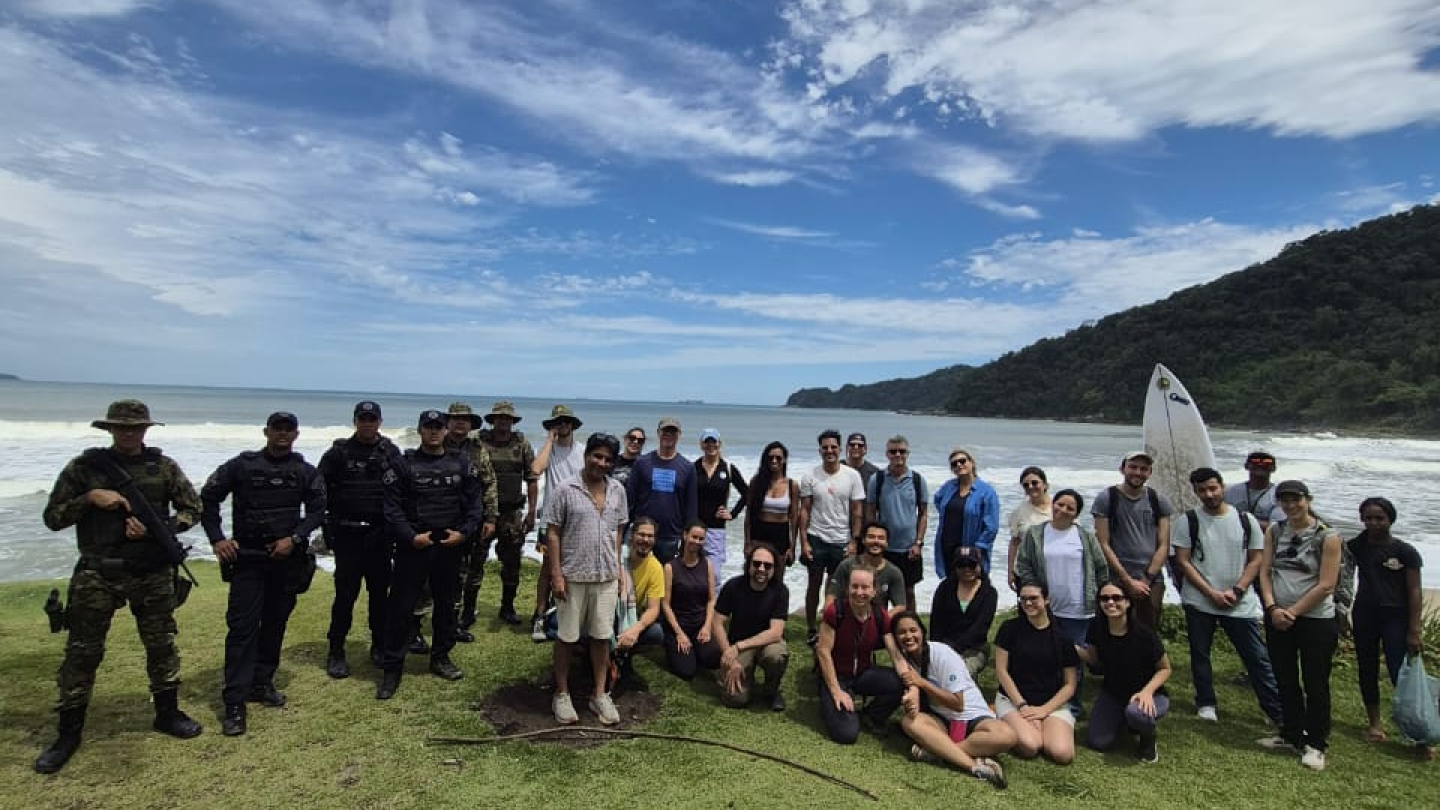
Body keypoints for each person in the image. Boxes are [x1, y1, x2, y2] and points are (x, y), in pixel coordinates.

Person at [35, 400, 205, 774]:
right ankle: (68, 733)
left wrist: (161, 526)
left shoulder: (163, 467)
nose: (129, 433)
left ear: (145, 430)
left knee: (161, 644)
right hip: (99, 572)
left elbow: (193, 508)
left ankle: (167, 713)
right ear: (110, 429)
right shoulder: (85, 468)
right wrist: (89, 499)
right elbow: (52, 517)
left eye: (136, 427)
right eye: (122, 427)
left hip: (152, 571)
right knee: (82, 652)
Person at [202, 411, 325, 736]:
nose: (282, 433)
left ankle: (262, 682)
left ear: (296, 434)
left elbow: (317, 510)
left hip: (285, 559)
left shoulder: (304, 471)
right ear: (266, 431)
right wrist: (217, 539)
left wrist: (295, 538)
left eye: (288, 429)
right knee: (242, 629)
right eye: (277, 428)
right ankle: (234, 701)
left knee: (275, 624)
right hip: (248, 559)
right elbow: (208, 497)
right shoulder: (241, 466)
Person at [375, 410, 487, 700]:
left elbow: (476, 504)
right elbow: (391, 508)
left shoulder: (462, 463)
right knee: (401, 608)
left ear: (446, 430)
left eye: (439, 426)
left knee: (447, 607)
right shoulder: (403, 464)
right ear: (420, 430)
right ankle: (392, 668)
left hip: (449, 547)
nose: (434, 431)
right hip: (414, 547)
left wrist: (463, 533)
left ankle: (441, 657)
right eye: (429, 426)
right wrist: (411, 536)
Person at [1172, 467, 1283, 727]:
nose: (1209, 494)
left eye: (1213, 488)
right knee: (1200, 655)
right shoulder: (1188, 521)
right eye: (1202, 490)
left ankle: (1274, 710)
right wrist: (1210, 592)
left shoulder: (1245, 520)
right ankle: (1206, 703)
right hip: (1200, 600)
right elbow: (1183, 561)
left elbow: (1256, 558)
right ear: (1195, 492)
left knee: (1256, 657)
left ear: (1222, 487)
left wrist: (1238, 590)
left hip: (1239, 602)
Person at [1256, 480, 1343, 771]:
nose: (1291, 506)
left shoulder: (1327, 536)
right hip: (1278, 615)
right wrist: (1271, 607)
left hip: (1315, 619)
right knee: (1285, 677)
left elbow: (1327, 584)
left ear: (1308, 500)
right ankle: (1290, 733)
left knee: (1315, 682)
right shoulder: (1275, 530)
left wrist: (1291, 613)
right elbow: (1265, 572)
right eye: (1285, 500)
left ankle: (1316, 743)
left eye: (1296, 499)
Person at [545, 432, 627, 726]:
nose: (601, 463)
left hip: (606, 577)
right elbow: (553, 533)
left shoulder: (618, 490)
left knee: (602, 637)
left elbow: (618, 530)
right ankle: (562, 693)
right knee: (567, 637)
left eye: (607, 459)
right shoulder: (566, 489)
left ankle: (600, 694)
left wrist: (618, 569)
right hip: (572, 575)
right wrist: (556, 574)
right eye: (597, 456)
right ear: (586, 455)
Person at [318, 400, 404, 679]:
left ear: (379, 422)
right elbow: (318, 490)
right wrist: (325, 525)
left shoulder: (390, 452)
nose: (367, 424)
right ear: (355, 421)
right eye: (362, 419)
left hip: (379, 535)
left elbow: (402, 489)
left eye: (372, 419)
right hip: (348, 536)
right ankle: (336, 650)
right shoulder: (339, 453)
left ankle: (379, 646)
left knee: (379, 596)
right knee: (345, 596)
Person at [1348, 497, 1431, 759]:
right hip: (1365, 614)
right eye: (1368, 518)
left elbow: (1415, 591)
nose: (1373, 523)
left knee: (1401, 673)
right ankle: (1375, 724)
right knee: (1367, 668)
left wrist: (1414, 629)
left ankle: (1420, 735)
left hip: (1396, 617)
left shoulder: (1405, 551)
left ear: (1390, 520)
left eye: (1379, 518)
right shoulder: (1356, 546)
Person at [1013, 488, 1110, 713]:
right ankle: (1042, 701)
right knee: (1042, 656)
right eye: (1060, 504)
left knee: (1073, 659)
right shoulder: (1036, 534)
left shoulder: (1085, 537)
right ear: (1053, 504)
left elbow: (1101, 568)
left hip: (1078, 610)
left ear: (1076, 514)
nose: (1063, 510)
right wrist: (1034, 592)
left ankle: (1071, 706)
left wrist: (1098, 596)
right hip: (1044, 609)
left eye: (1070, 508)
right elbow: (1023, 565)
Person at [891, 611, 1012, 789]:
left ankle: (938, 751)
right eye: (902, 632)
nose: (908, 636)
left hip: (972, 717)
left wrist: (922, 683)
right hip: (942, 720)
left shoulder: (942, 654)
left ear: (922, 632)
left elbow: (958, 704)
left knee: (1007, 736)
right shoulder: (905, 661)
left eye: (913, 630)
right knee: (909, 722)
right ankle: (974, 766)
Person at [1075, 580, 1172, 763]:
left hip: (1150, 694)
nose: (1110, 602)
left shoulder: (1144, 634)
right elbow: (1094, 659)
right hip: (1113, 693)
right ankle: (1125, 721)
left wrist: (1146, 692)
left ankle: (1147, 738)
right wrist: (1071, 647)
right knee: (1098, 741)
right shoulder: (1097, 627)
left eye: (1116, 598)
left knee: (1137, 713)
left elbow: (1165, 669)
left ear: (1128, 602)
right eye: (1104, 598)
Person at [815, 565, 904, 743]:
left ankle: (871, 715)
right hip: (836, 675)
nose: (859, 592)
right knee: (846, 734)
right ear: (847, 588)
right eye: (854, 586)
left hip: (863, 674)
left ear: (874, 591)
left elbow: (895, 654)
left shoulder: (880, 615)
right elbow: (823, 651)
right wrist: (836, 691)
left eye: (865, 587)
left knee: (900, 683)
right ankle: (834, 702)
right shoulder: (835, 611)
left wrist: (911, 684)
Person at [993, 583, 1080, 764]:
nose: (1028, 603)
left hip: (1051, 704)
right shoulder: (1010, 628)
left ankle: (1039, 726)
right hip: (1014, 700)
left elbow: (1070, 684)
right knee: (1030, 745)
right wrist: (1022, 706)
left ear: (1047, 600)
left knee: (1062, 754)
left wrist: (1044, 710)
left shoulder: (1062, 637)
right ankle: (1003, 716)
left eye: (1033, 598)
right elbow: (1001, 671)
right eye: (1023, 599)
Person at [1092, 451, 1173, 631]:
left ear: (1149, 473)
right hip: (1115, 578)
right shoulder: (1107, 498)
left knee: (1147, 632)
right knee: (1113, 629)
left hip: (1151, 580)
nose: (1138, 472)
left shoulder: (1158, 500)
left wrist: (1146, 579)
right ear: (1122, 469)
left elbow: (1164, 545)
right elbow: (1102, 543)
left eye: (1143, 469)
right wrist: (1127, 581)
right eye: (1133, 467)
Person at [798, 429, 866, 645]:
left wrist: (855, 541)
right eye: (825, 447)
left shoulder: (852, 476)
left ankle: (830, 627)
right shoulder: (810, 475)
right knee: (813, 585)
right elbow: (804, 511)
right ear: (820, 450)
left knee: (836, 588)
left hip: (842, 540)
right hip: (816, 538)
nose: (829, 451)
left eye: (833, 447)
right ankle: (811, 628)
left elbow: (857, 511)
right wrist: (804, 542)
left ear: (840, 449)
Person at [475, 400, 539, 625]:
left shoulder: (521, 444)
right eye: (500, 417)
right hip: (483, 512)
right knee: (475, 561)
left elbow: (532, 479)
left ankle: (507, 607)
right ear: (493, 420)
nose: (503, 421)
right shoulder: (480, 442)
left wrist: (532, 512)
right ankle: (468, 610)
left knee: (512, 563)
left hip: (511, 513)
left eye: (507, 418)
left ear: (512, 421)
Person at [442, 402, 498, 643]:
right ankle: (443, 621)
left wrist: (491, 518)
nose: (460, 423)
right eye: (455, 418)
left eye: (464, 419)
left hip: (473, 519)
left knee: (474, 570)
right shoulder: (437, 444)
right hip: (443, 519)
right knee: (445, 574)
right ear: (447, 422)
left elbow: (490, 483)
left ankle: (464, 616)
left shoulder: (478, 449)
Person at [711, 543, 790, 710]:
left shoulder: (780, 591)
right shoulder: (733, 586)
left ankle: (771, 690)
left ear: (774, 569)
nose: (761, 569)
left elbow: (775, 633)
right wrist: (728, 653)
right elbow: (717, 622)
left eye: (767, 565)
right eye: (756, 563)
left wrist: (739, 646)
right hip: (738, 646)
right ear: (748, 564)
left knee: (775, 656)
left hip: (766, 643)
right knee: (735, 699)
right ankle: (742, 678)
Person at [530, 404, 584, 642]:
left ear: (572, 425)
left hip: (576, 520)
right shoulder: (548, 450)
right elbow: (535, 469)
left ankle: (566, 614)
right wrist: (549, 440)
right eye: (557, 422)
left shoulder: (582, 451)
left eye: (566, 421)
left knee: (572, 569)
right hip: (551, 520)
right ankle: (540, 616)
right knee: (547, 569)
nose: (562, 425)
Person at [864, 435, 928, 611]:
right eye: (893, 451)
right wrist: (872, 541)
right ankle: (881, 626)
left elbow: (923, 514)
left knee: (908, 592)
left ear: (908, 453)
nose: (898, 455)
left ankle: (910, 624)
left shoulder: (917, 480)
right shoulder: (877, 479)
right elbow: (870, 512)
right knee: (879, 592)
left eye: (902, 451)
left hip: (909, 549)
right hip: (883, 547)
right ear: (887, 454)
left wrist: (918, 543)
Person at [626, 416, 699, 564]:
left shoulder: (688, 467)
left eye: (673, 432)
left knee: (666, 577)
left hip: (671, 537)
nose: (668, 435)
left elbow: (691, 508)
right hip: (642, 535)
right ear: (658, 433)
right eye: (665, 431)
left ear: (679, 435)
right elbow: (629, 499)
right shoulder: (642, 463)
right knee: (636, 576)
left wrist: (687, 538)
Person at [660, 521, 720, 680]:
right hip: (678, 626)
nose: (697, 541)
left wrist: (707, 627)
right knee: (687, 671)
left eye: (701, 539)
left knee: (714, 659)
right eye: (694, 537)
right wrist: (679, 633)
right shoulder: (670, 567)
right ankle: (675, 648)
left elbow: (711, 600)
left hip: (699, 625)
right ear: (685, 535)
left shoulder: (707, 565)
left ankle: (697, 650)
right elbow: (665, 604)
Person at [929, 546, 998, 675]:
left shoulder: (989, 593)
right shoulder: (944, 588)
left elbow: (980, 628)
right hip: (943, 645)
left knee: (959, 672)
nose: (967, 569)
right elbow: (935, 623)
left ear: (979, 565)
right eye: (961, 565)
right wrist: (939, 649)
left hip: (974, 648)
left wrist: (955, 649)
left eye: (971, 564)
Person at [614, 516, 666, 686]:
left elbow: (653, 609)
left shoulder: (655, 567)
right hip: (610, 613)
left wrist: (635, 630)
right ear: (632, 535)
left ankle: (624, 656)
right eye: (641, 535)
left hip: (631, 618)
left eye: (650, 536)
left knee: (656, 632)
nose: (645, 540)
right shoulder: (617, 559)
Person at [932, 446, 1000, 577]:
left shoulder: (986, 491)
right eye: (954, 464)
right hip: (947, 547)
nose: (959, 465)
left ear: (972, 463)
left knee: (971, 585)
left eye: (962, 461)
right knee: (949, 585)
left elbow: (991, 527)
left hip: (971, 550)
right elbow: (938, 500)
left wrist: (979, 548)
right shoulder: (949, 486)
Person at [695, 428, 748, 590]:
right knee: (694, 573)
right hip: (695, 528)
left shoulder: (728, 468)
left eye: (714, 441)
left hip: (716, 530)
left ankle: (714, 604)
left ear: (720, 444)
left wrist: (732, 513)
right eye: (707, 442)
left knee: (715, 575)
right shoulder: (693, 467)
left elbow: (747, 494)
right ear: (702, 445)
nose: (710, 445)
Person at [829, 522, 907, 614]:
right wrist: (830, 616)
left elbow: (900, 606)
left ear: (886, 543)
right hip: (847, 617)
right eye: (871, 537)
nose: (876, 541)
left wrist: (884, 620)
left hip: (877, 619)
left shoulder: (893, 572)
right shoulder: (846, 565)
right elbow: (831, 597)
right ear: (863, 540)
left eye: (881, 538)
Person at [743, 441, 799, 567]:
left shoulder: (792, 485)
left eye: (778, 458)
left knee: (778, 574)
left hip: (780, 535)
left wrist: (792, 547)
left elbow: (794, 518)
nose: (774, 461)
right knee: (756, 572)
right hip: (758, 534)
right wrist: (747, 542)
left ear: (784, 460)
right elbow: (749, 514)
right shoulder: (756, 482)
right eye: (770, 458)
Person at [1006, 466, 1052, 591]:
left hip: (1053, 569)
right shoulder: (1019, 512)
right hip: (1026, 571)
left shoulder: (1058, 508)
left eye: (1034, 483)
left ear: (1045, 485)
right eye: (1026, 485)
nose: (1030, 487)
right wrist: (1010, 572)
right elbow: (1015, 542)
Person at [1225, 450, 1285, 531]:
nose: (1260, 464)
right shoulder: (1230, 492)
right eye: (1255, 461)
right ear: (1246, 466)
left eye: (1267, 462)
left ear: (1274, 468)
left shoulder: (1279, 495)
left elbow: (1277, 527)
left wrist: (1245, 520)